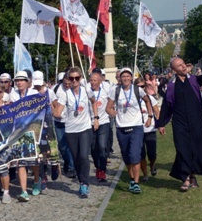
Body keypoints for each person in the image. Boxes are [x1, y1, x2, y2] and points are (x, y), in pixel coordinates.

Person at [156, 56, 202, 191]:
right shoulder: (172, 86)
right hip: (180, 123)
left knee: (196, 148)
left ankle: (193, 175)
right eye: (179, 66)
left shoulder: (195, 80)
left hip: (196, 121)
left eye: (183, 64)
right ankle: (185, 178)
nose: (183, 67)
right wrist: (161, 124)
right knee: (182, 149)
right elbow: (166, 106)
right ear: (174, 70)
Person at [106, 67, 154, 194]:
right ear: (120, 78)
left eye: (128, 76)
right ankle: (132, 179)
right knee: (126, 156)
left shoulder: (138, 90)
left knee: (135, 155)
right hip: (121, 127)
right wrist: (112, 112)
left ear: (131, 78)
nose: (126, 78)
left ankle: (136, 183)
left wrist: (149, 116)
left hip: (136, 126)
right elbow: (108, 108)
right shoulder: (115, 91)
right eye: (123, 76)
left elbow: (148, 101)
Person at [54, 67, 98, 198]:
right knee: (77, 158)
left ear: (80, 79)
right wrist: (57, 113)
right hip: (70, 130)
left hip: (85, 128)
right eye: (71, 78)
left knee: (84, 156)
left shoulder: (86, 90)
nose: (74, 81)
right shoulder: (65, 94)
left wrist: (95, 118)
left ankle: (85, 184)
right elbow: (57, 112)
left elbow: (94, 102)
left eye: (76, 78)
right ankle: (80, 180)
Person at [10, 71, 41, 201]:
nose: (19, 82)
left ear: (28, 82)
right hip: (18, 132)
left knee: (32, 161)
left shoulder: (34, 93)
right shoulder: (13, 95)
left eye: (22, 80)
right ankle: (23, 191)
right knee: (20, 163)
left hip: (32, 131)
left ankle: (36, 178)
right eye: (17, 80)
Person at [134, 78, 160, 182]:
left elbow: (157, 112)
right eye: (139, 87)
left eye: (143, 86)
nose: (141, 88)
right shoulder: (133, 99)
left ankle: (152, 165)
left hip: (150, 129)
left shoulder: (150, 98)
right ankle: (145, 174)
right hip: (138, 130)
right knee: (141, 154)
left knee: (152, 153)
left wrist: (159, 124)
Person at [88, 70, 110, 182]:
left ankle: (102, 169)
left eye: (95, 80)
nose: (93, 82)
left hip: (104, 122)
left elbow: (112, 101)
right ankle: (97, 166)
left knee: (102, 147)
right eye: (91, 80)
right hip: (90, 123)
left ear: (100, 81)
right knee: (92, 148)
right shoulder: (87, 92)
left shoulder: (105, 92)